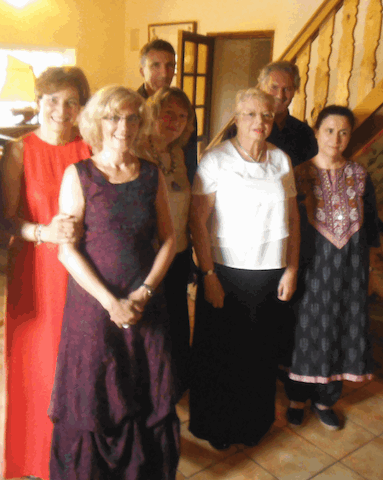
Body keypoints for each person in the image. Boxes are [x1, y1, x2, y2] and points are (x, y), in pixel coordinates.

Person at [49, 85, 180, 478]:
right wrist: (111, 303)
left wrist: (144, 292)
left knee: (145, 392)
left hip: (144, 304)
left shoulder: (151, 174)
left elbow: (170, 239)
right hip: (93, 308)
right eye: (113, 117)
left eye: (132, 118)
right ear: (97, 122)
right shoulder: (79, 175)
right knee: (95, 395)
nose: (123, 126)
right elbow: (67, 251)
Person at [188, 88, 299, 450]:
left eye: (266, 114)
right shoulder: (215, 160)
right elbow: (197, 221)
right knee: (222, 354)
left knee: (259, 354)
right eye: (250, 114)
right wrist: (208, 275)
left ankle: (254, 424)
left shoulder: (281, 160)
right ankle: (218, 427)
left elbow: (294, 219)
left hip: (270, 273)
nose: (259, 121)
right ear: (236, 118)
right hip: (225, 272)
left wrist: (292, 268)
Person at [0, 67, 91, 478]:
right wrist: (42, 232)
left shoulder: (90, 148)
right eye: (53, 100)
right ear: (38, 101)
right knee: (36, 369)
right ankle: (35, 459)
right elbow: (4, 221)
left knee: (79, 366)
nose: (61, 109)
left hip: (82, 272)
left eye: (71, 101)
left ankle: (76, 459)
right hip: (35, 271)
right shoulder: (19, 151)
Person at [284, 106, 379, 430]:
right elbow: (287, 226)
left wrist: (370, 273)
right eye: (329, 131)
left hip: (350, 272)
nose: (335, 139)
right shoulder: (298, 175)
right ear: (316, 132)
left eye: (343, 132)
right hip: (309, 270)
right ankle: (296, 399)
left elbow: (371, 229)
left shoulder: (360, 176)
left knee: (341, 331)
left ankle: (326, 401)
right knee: (303, 332)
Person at [138, 86, 194, 392]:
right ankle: (152, 387)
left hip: (179, 250)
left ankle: (175, 383)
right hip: (148, 254)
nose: (175, 122)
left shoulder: (178, 153)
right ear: (152, 113)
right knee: (152, 323)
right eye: (168, 114)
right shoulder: (135, 149)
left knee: (176, 319)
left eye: (182, 117)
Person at [137, 39, 199, 184]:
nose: (164, 73)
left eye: (170, 66)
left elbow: (190, 158)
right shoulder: (131, 108)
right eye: (155, 65)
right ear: (142, 71)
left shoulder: (184, 109)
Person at [258, 61, 318, 167]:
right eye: (274, 87)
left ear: (295, 90)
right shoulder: (241, 129)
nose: (280, 95)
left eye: (287, 89)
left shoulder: (305, 133)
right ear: (261, 88)